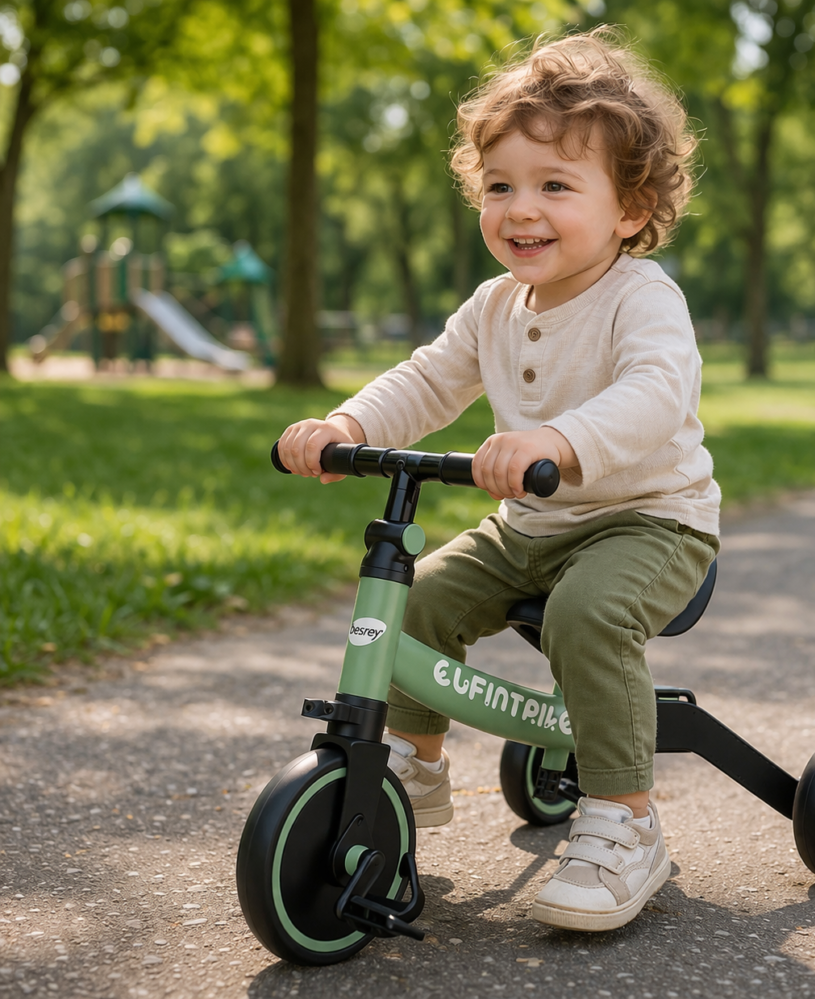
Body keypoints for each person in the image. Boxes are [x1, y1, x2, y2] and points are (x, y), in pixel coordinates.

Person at [277, 27, 721, 933]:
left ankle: (627, 819)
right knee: (420, 599)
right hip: (530, 528)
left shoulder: (642, 299)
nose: (522, 208)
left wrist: (558, 436)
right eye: (502, 186)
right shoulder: (492, 305)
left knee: (586, 617)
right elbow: (429, 378)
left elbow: (654, 394)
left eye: (557, 186)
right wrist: (348, 425)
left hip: (649, 523)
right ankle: (409, 766)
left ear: (630, 209)